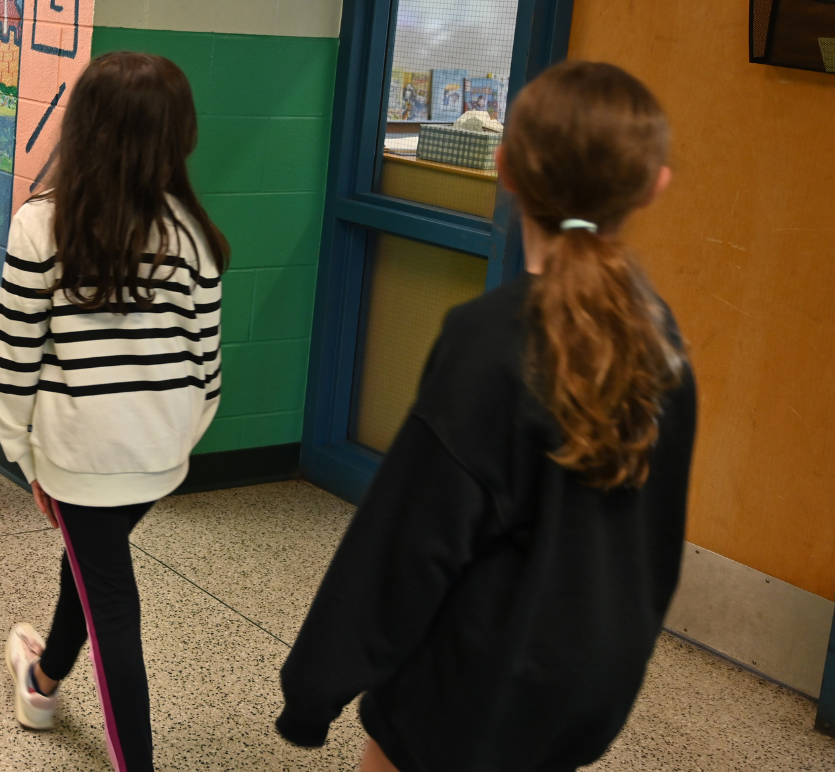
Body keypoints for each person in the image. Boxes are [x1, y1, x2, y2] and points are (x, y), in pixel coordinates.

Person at [275, 61, 697, 772]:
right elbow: (653, 540)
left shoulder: (489, 339)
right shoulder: (663, 343)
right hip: (584, 698)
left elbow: (406, 546)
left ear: (504, 168)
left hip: (463, 697)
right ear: (655, 184)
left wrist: (313, 691)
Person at [0, 52, 228, 772]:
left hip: (78, 458)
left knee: (113, 606)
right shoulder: (194, 233)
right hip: (162, 456)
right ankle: (42, 681)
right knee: (93, 569)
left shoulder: (43, 226)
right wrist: (170, 444)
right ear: (178, 135)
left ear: (83, 127)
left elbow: (14, 363)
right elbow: (207, 372)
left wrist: (28, 459)